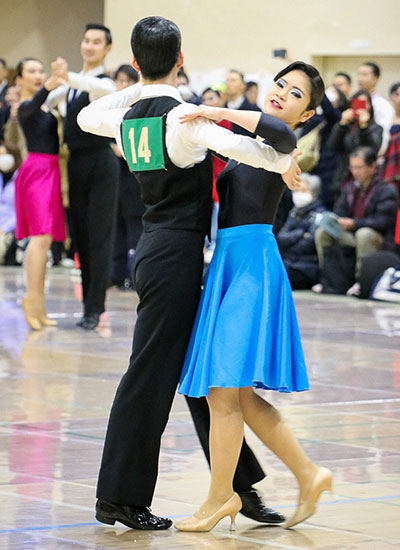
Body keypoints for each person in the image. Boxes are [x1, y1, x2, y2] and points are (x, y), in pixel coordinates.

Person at [78, 16, 302, 531]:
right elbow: (267, 150)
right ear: (182, 58)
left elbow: (89, 115)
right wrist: (280, 157)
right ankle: (118, 497)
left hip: (157, 251)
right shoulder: (187, 120)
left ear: (134, 63)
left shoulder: (127, 116)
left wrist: (139, 89)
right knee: (151, 377)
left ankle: (237, 489)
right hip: (175, 257)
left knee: (204, 377)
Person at [176, 61, 332, 533]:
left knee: (224, 391)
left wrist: (207, 109)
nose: (283, 93)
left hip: (252, 268)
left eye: (297, 94)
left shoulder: (284, 145)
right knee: (237, 398)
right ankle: (309, 474)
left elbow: (271, 131)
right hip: (228, 261)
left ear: (306, 115)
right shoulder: (253, 148)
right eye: (281, 84)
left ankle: (219, 498)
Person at [47, 23, 118, 330]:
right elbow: (48, 100)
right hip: (75, 162)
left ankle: (95, 307)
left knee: (99, 235)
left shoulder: (102, 82)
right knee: (82, 236)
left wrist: (66, 78)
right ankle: (87, 304)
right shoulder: (73, 86)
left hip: (100, 162)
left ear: (107, 48)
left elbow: (104, 90)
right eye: (86, 40)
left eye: (96, 42)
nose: (89, 46)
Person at [14, 58, 65, 329]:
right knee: (41, 237)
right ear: (19, 78)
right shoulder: (24, 107)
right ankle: (31, 299)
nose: (37, 75)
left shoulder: (45, 107)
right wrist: (50, 83)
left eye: (39, 70)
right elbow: (33, 104)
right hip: (37, 171)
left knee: (45, 241)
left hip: (52, 171)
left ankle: (39, 303)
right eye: (31, 71)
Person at [314, 146, 398, 296]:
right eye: (352, 167)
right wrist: (337, 220)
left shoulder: (386, 189)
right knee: (323, 232)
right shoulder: (349, 188)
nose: (355, 171)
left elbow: (383, 222)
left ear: (373, 166)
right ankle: (328, 279)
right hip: (351, 233)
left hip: (379, 238)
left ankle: (361, 282)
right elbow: (339, 211)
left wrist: (354, 223)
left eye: (359, 167)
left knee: (364, 234)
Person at [109, 64, 144, 290]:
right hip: (115, 178)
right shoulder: (111, 108)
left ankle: (135, 276)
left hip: (135, 179)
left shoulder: (140, 109)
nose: (123, 85)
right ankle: (115, 275)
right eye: (119, 81)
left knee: (135, 229)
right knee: (117, 229)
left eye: (127, 81)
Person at [277, 173, 326, 289]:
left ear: (314, 193)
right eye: (296, 190)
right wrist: (300, 234)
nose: (298, 194)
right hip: (289, 263)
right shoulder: (294, 213)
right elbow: (281, 237)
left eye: (303, 190)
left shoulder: (320, 215)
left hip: (307, 268)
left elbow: (310, 243)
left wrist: (289, 245)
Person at [328, 90, 383, 192]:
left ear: (370, 106)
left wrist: (364, 127)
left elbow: (372, 150)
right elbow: (332, 146)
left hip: (365, 179)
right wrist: (342, 125)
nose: (362, 107)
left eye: (365, 103)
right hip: (342, 177)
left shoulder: (375, 128)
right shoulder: (347, 126)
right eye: (358, 103)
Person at [357, 61, 394, 155]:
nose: (360, 78)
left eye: (364, 74)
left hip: (372, 156)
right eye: (359, 74)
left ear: (376, 78)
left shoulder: (383, 105)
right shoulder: (355, 101)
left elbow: (385, 135)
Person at [225, 69, 261, 136]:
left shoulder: (253, 110)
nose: (228, 84)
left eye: (233, 81)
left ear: (243, 85)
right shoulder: (221, 107)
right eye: (227, 80)